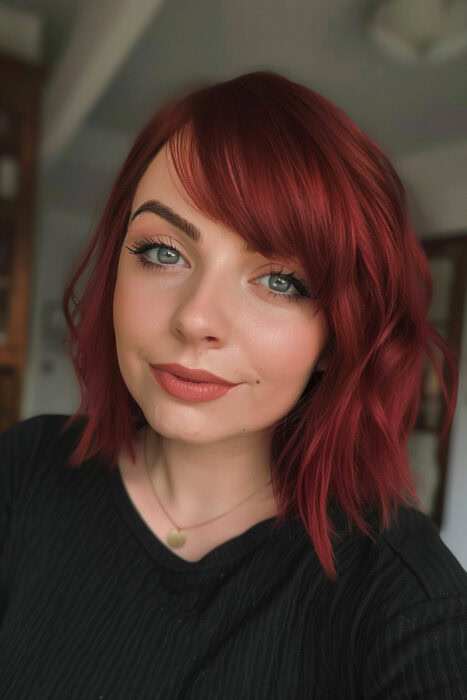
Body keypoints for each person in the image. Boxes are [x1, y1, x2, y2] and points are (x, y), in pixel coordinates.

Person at [1, 70, 466, 699]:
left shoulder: (404, 597)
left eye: (281, 280)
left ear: (337, 337)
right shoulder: (26, 470)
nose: (196, 318)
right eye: (163, 252)